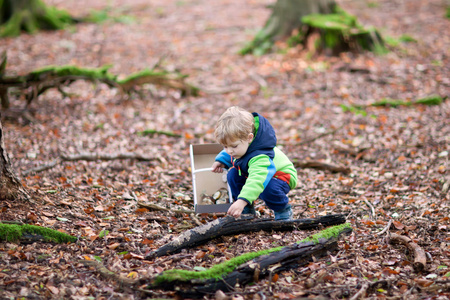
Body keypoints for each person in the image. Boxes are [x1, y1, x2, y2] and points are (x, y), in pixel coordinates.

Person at [211, 106, 298, 220]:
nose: (229, 151)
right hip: (260, 174)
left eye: (233, 146)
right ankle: (247, 210)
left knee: (269, 188)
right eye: (225, 146)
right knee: (233, 175)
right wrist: (221, 160)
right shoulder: (240, 147)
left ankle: (282, 210)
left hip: (280, 176)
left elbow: (258, 179)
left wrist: (242, 200)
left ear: (249, 138)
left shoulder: (260, 156)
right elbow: (231, 153)